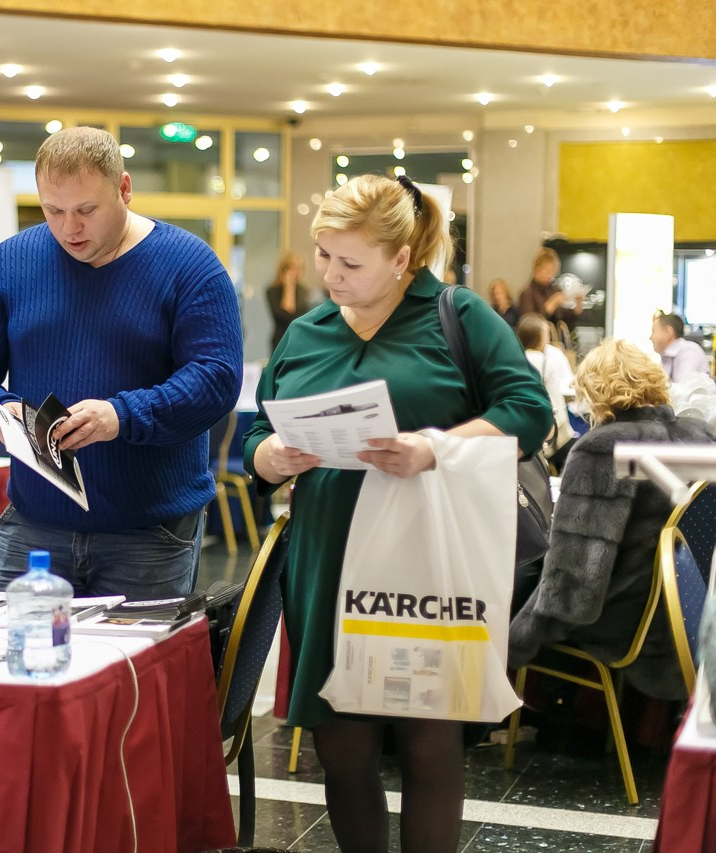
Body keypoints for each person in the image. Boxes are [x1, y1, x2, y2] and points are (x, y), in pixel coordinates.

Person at [243, 174, 549, 853]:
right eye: (323, 254)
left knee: (428, 744)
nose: (331, 274)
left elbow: (530, 412)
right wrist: (270, 455)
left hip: (427, 560)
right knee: (342, 750)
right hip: (326, 561)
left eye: (350, 262)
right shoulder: (306, 332)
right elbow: (252, 438)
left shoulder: (456, 314)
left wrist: (434, 448)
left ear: (402, 259)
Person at [0, 126, 243, 599]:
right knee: (10, 664)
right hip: (34, 525)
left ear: (124, 189)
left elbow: (216, 380)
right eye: (52, 210)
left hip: (151, 533)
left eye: (86, 210)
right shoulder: (9, 263)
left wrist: (121, 416)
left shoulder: (190, 266)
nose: (69, 229)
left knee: (132, 673)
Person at [510, 339, 714, 701]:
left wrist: (518, 638)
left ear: (595, 392)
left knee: (518, 590)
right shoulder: (701, 436)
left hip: (629, 626)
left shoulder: (602, 448)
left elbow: (574, 583)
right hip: (689, 619)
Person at [516, 312, 576, 471]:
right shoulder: (552, 357)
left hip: (525, 429)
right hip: (554, 429)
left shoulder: (515, 359)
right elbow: (568, 385)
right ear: (541, 336)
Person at [517, 247, 583, 337]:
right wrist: (550, 305)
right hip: (537, 342)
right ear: (536, 269)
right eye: (547, 271)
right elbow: (528, 326)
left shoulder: (555, 289)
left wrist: (577, 306)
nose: (550, 275)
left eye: (553, 271)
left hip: (557, 340)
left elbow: (565, 322)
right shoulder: (527, 293)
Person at [265, 250, 309, 351]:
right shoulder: (272, 291)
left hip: (299, 340)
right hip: (280, 341)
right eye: (292, 268)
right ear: (283, 270)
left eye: (299, 268)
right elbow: (285, 317)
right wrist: (289, 288)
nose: (296, 272)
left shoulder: (304, 291)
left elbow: (298, 318)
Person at [650, 311, 709, 383]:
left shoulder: (689, 352)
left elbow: (683, 390)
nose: (651, 337)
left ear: (668, 332)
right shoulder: (667, 357)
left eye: (654, 331)